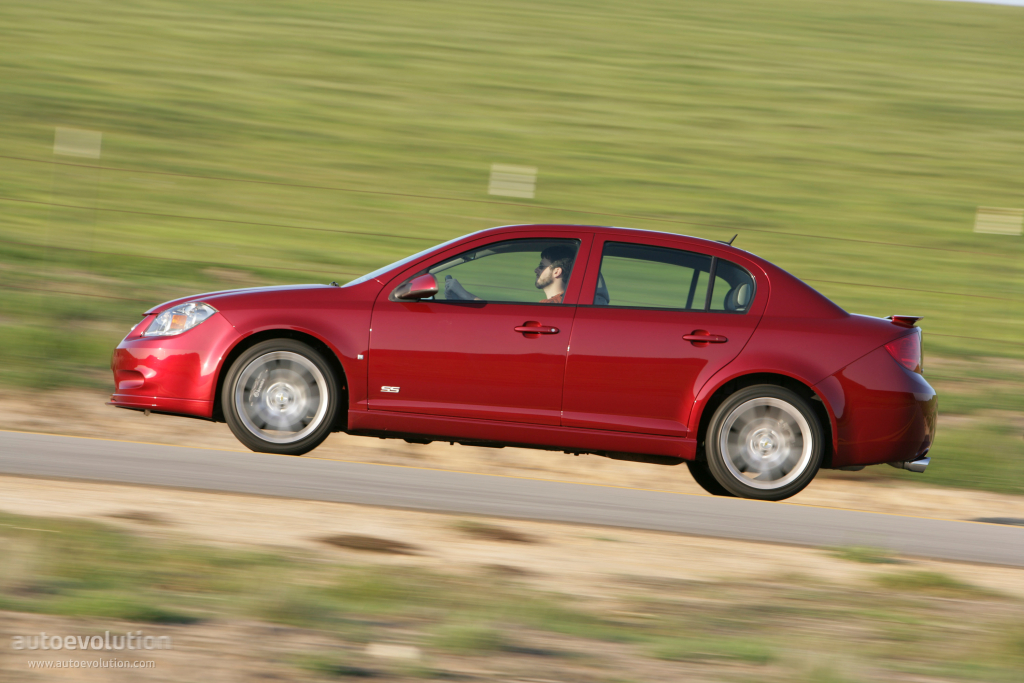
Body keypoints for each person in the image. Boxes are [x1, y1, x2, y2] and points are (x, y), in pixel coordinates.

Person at [444, 244, 575, 303]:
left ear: (557, 272)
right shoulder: (560, 301)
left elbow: (507, 321)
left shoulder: (552, 305)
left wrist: (464, 294)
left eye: (541, 267)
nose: (536, 270)